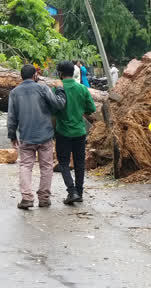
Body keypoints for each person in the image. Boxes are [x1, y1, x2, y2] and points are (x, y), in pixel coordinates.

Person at [7, 64, 66, 209]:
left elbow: (11, 117)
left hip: (26, 136)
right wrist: (60, 89)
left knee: (26, 166)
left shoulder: (14, 92)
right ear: (35, 75)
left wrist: (12, 135)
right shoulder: (42, 88)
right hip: (45, 135)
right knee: (46, 167)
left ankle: (27, 198)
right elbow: (59, 104)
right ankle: (44, 198)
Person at [53, 61, 96, 205]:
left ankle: (72, 192)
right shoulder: (82, 88)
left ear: (60, 73)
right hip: (79, 131)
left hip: (63, 132)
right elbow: (91, 108)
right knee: (79, 163)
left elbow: (53, 110)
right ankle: (80, 192)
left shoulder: (57, 89)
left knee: (64, 162)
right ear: (74, 72)